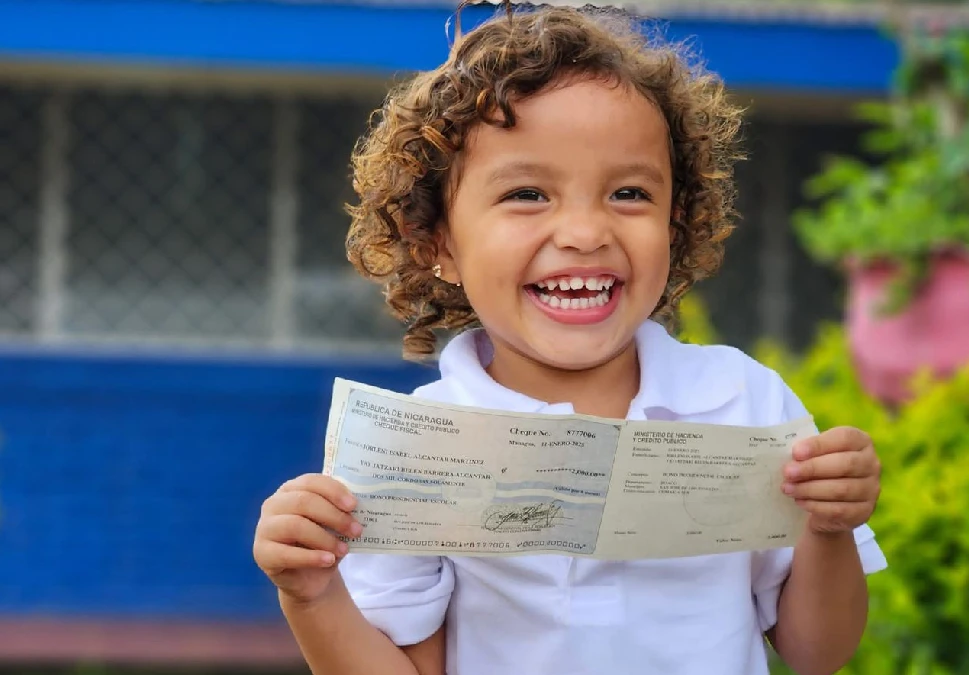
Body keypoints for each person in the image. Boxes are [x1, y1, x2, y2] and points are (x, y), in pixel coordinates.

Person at [252, 4, 886, 674]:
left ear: (676, 223)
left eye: (630, 193)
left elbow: (819, 652)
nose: (585, 232)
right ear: (437, 240)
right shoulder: (418, 448)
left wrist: (828, 525)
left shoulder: (743, 399)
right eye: (528, 193)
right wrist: (312, 593)